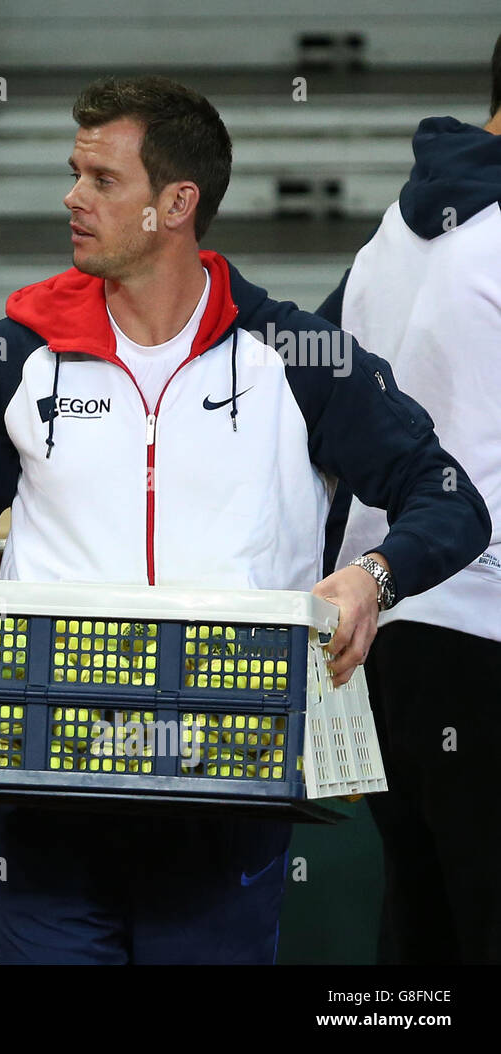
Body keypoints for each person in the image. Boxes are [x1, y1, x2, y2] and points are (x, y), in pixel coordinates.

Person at [0, 75, 491, 965]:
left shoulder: (296, 355)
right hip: (45, 789)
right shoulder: (16, 350)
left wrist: (373, 577)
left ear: (177, 203)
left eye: (101, 179)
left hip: (228, 790)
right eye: (74, 172)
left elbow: (447, 498)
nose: (72, 197)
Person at [315, 35, 501, 964]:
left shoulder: (388, 234)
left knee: (422, 923)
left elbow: (308, 399)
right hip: (479, 630)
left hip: (385, 635)